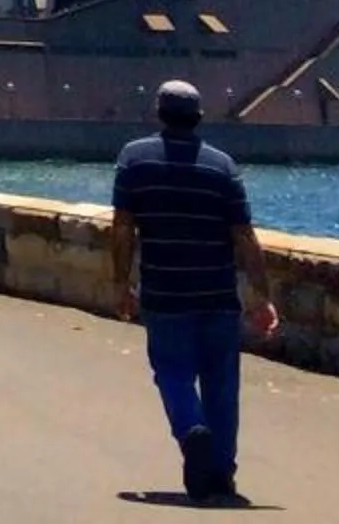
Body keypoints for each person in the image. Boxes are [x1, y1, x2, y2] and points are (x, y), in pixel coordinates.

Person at [112, 80, 280, 506]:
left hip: (165, 293)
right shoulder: (221, 167)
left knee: (172, 372)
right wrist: (262, 294)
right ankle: (220, 473)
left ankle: (191, 430)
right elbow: (244, 235)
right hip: (219, 294)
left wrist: (121, 283)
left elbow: (122, 228)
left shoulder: (134, 159)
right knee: (222, 384)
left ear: (159, 114)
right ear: (199, 118)